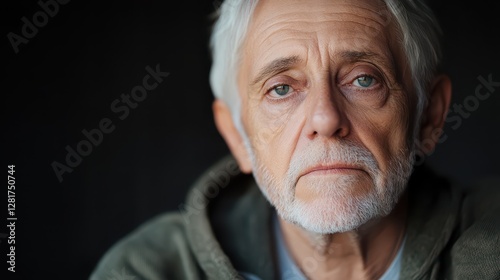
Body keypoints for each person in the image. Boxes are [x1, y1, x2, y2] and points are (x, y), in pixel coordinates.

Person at [90, 0, 500, 279]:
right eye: (281, 89)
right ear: (236, 134)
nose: (325, 118)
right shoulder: (146, 270)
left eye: (363, 79)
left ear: (429, 116)